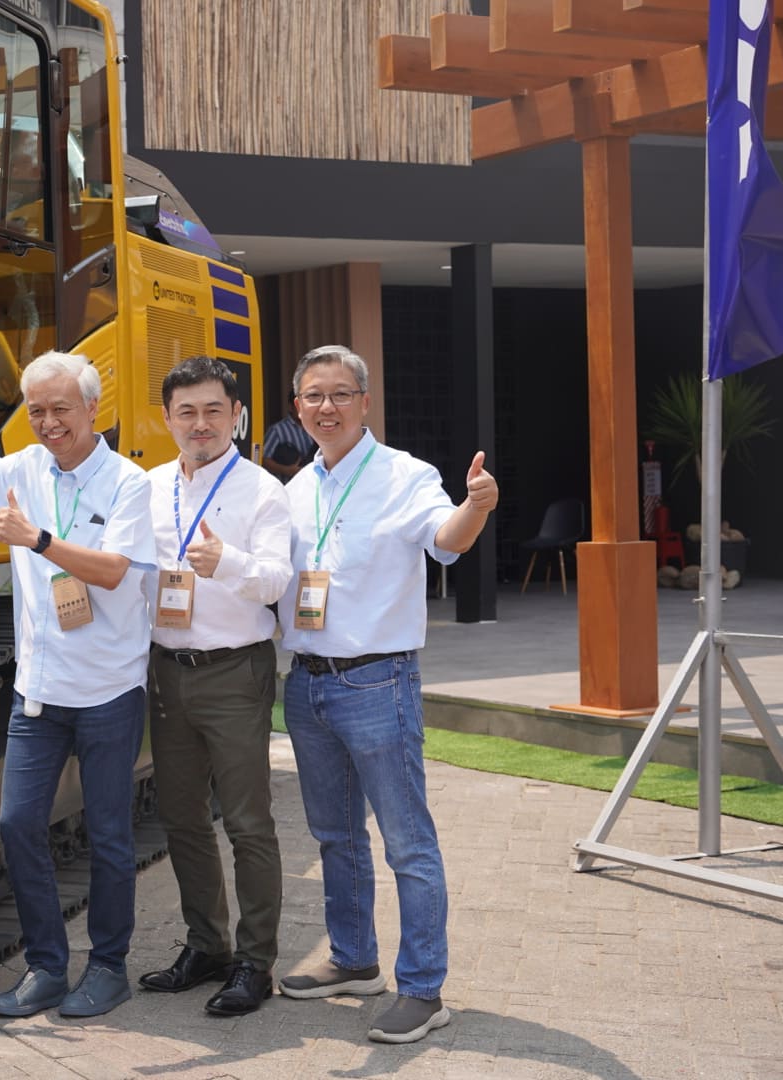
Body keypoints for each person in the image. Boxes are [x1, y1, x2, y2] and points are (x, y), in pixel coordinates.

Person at [0, 331, 155, 1020]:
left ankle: (108, 967)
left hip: (108, 692)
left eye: (59, 409)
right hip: (38, 694)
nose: (47, 423)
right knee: (18, 825)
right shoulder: (22, 470)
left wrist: (37, 539)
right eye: (36, 410)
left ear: (94, 410)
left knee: (107, 835)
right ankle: (47, 966)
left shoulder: (129, 483)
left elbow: (113, 573)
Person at [275, 345, 497, 1045]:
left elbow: (445, 540)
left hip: (377, 682)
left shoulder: (404, 475)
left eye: (341, 394)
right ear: (298, 406)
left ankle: (424, 989)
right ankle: (353, 959)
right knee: (335, 836)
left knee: (407, 842)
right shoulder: (295, 487)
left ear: (365, 403)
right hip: (306, 684)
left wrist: (475, 508)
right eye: (314, 396)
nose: (327, 407)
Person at [136, 357, 292, 1017]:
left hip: (235, 670)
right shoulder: (145, 487)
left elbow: (278, 582)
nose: (199, 424)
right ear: (167, 418)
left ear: (236, 415)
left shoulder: (261, 491)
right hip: (167, 671)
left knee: (249, 822)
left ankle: (255, 963)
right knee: (180, 818)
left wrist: (225, 562)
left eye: (212, 410)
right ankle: (208, 945)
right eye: (186, 412)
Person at [261, 414, 315, 483]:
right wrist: (286, 470)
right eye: (297, 405)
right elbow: (263, 460)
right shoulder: (277, 430)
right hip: (285, 487)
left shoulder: (313, 428)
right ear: (291, 407)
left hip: (309, 485)